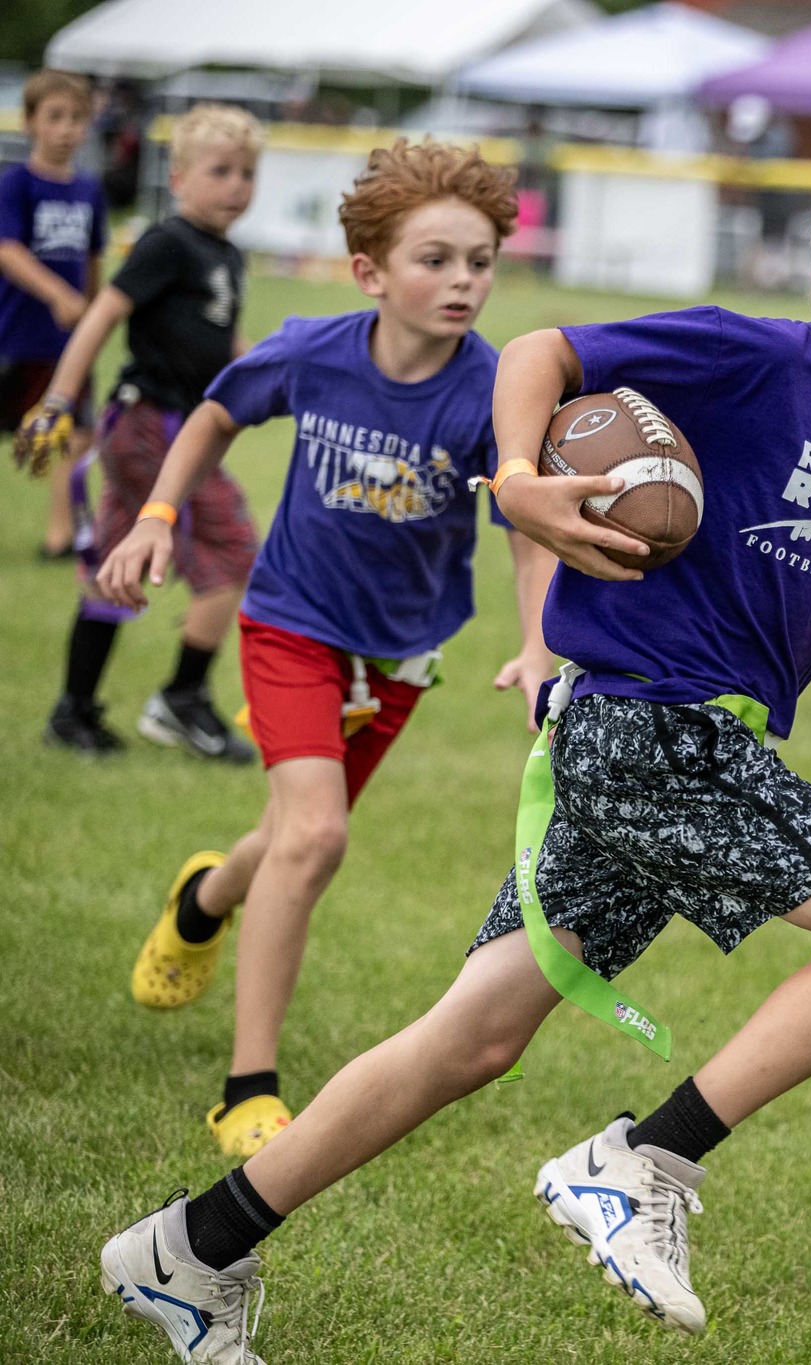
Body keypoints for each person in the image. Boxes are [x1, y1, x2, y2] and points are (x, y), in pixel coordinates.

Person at [98, 131, 811, 1360]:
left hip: (683, 743)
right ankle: (644, 1163)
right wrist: (523, 477)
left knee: (472, 1037)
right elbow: (542, 352)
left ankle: (184, 1253)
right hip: (646, 727)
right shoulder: (758, 358)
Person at [94, 137, 556, 1158]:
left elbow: (524, 528)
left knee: (299, 830)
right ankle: (245, 1091)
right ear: (370, 272)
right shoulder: (312, 350)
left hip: (398, 654)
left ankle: (204, 897)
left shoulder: (489, 392)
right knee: (316, 837)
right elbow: (215, 414)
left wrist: (537, 644)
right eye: (434, 259)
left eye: (478, 261)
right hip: (292, 624)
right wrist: (160, 514)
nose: (462, 281)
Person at [17, 103, 264, 759]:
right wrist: (60, 399)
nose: (237, 184)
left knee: (116, 564)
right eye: (221, 170)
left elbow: (225, 342)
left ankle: (74, 711)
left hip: (178, 428)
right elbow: (101, 317)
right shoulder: (167, 242)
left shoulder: (226, 254)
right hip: (150, 424)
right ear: (178, 178)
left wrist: (275, 378)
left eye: (248, 172)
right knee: (235, 548)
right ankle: (182, 698)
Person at [1, 69, 108, 560]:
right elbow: (8, 250)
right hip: (16, 336)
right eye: (55, 117)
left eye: (76, 119)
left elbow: (93, 261)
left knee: (78, 435)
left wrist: (95, 314)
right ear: (30, 123)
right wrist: (56, 296)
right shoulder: (16, 184)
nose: (67, 128)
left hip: (68, 346)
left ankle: (59, 536)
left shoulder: (89, 190)